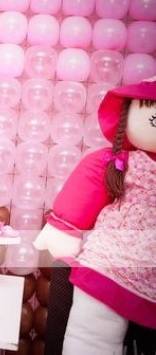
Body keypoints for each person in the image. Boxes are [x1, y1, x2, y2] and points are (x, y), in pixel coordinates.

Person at [34, 78, 155, 354]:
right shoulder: (121, 163)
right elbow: (85, 189)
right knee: (91, 338)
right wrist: (64, 231)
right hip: (109, 265)